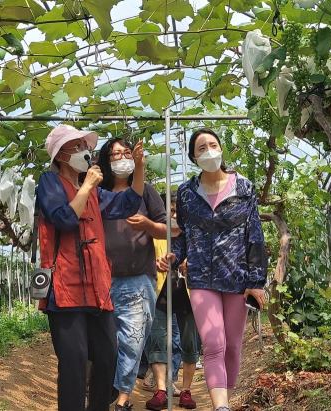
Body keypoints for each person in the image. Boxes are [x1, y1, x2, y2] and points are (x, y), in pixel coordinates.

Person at [37, 125, 146, 411]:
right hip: (64, 286)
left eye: (86, 145)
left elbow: (129, 202)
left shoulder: (97, 195)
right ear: (61, 155)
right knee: (74, 361)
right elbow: (63, 219)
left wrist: (139, 169)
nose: (85, 151)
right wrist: (86, 186)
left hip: (97, 288)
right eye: (77, 146)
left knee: (108, 355)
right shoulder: (49, 182)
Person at [157, 129, 268, 411]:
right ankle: (221, 407)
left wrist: (256, 281)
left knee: (232, 346)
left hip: (237, 278)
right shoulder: (186, 193)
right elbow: (183, 236)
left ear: (221, 149)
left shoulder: (243, 187)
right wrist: (174, 256)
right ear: (194, 157)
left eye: (213, 144)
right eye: (201, 147)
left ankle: (224, 401)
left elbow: (254, 235)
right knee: (214, 343)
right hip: (201, 279)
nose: (208, 150)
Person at [96, 137, 167, 411]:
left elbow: (165, 230)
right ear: (106, 160)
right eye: (116, 154)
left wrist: (148, 224)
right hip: (101, 279)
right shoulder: (97, 193)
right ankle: (106, 389)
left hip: (138, 278)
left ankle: (123, 400)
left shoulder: (146, 192)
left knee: (133, 340)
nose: (123, 157)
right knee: (103, 343)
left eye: (127, 152)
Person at [145, 191, 200, 411]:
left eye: (178, 211)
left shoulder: (195, 236)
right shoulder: (155, 234)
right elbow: (143, 259)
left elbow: (207, 263)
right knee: (157, 340)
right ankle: (161, 390)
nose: (174, 215)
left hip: (189, 296)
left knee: (189, 342)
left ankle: (185, 391)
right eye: (171, 211)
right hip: (160, 293)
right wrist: (155, 263)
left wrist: (190, 265)